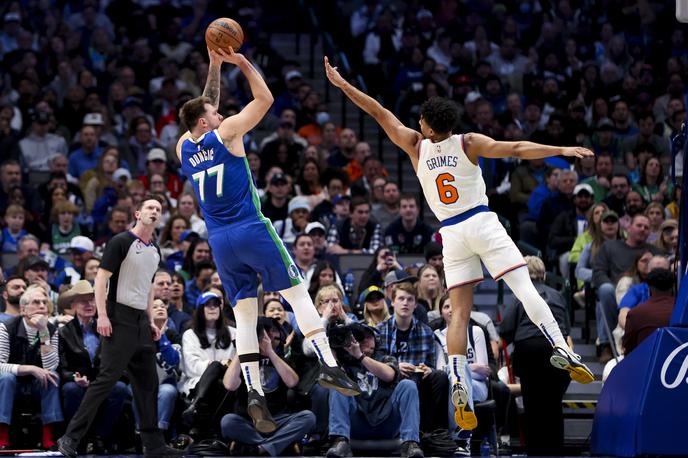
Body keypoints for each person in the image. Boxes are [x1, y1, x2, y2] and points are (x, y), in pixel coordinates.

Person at [324, 57, 593, 432]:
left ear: (429, 125)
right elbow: (515, 147)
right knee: (523, 287)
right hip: (481, 221)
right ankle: (561, 348)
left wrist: (341, 85)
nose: (416, 122)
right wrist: (561, 150)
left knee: (460, 314)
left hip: (450, 234)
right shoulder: (469, 142)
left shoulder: (415, 145)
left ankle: (455, 378)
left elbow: (377, 110)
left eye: (420, 119)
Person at [176, 48, 359, 434]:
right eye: (215, 113)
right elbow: (265, 100)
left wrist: (214, 65)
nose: (221, 113)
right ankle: (329, 364)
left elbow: (205, 105)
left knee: (244, 314)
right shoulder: (226, 133)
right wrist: (242, 64)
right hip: (251, 229)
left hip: (220, 241)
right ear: (205, 121)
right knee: (297, 294)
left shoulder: (183, 147)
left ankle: (255, 393)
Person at [57, 194, 183, 458]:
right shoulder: (121, 241)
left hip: (140, 320)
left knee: (148, 385)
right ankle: (70, 438)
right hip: (118, 316)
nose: (154, 211)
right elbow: (101, 279)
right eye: (149, 207)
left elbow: (148, 287)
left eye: (158, 209)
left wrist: (150, 320)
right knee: (105, 381)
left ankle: (153, 445)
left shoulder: (155, 249)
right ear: (137, 213)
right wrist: (102, 315)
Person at [499, 256, 573, 456]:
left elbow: (506, 328)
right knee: (553, 404)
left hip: (529, 350)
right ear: (544, 274)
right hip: (556, 350)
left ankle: (534, 451)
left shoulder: (520, 294)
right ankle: (555, 450)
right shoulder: (558, 295)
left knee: (532, 402)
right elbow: (566, 328)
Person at [325, 321, 424, 458]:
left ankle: (410, 443)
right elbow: (329, 374)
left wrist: (361, 356)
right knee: (338, 384)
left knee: (408, 385)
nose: (365, 340)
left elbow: (389, 375)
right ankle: (340, 441)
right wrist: (335, 351)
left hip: (387, 422)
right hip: (358, 423)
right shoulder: (345, 362)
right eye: (360, 337)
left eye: (369, 336)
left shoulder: (386, 359)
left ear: (376, 341)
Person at [221, 317, 316, 456]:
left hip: (278, 420)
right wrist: (242, 349)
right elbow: (229, 385)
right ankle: (278, 445)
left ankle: (260, 448)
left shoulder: (280, 357)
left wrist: (270, 352)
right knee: (227, 421)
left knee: (308, 418)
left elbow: (292, 382)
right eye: (264, 332)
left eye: (272, 331)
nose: (269, 336)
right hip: (249, 421)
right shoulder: (244, 359)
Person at [57, 281, 129, 452]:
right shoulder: (63, 332)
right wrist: (74, 378)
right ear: (73, 305)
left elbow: (120, 361)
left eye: (92, 299)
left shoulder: (108, 327)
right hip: (78, 381)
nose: (89, 304)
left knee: (119, 388)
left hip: (103, 381)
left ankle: (100, 437)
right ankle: (77, 439)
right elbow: (61, 367)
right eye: (83, 300)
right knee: (71, 389)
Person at [0, 285, 62, 451]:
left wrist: (43, 332)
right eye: (36, 302)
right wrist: (29, 369)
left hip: (37, 384)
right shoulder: (6, 327)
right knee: (5, 378)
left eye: (44, 302)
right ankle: (2, 437)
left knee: (52, 376)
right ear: (23, 309)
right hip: (11, 382)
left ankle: (48, 437)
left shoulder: (50, 329)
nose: (42, 305)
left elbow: (50, 366)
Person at [622, 268, 675, 354]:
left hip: (644, 364)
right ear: (673, 287)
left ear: (649, 288)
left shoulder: (636, 313)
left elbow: (628, 349)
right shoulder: (683, 312)